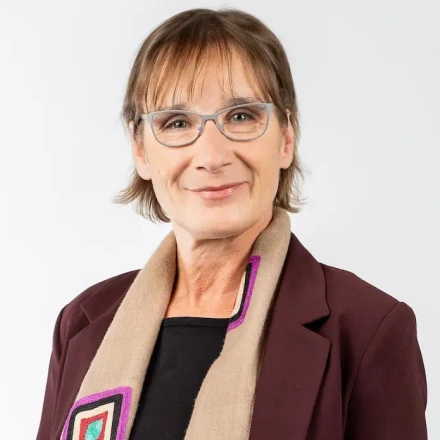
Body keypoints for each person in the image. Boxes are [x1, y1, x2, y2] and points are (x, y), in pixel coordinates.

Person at [36, 8, 428, 440]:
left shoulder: (367, 328)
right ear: (141, 151)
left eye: (241, 116)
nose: (212, 156)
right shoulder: (83, 323)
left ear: (286, 138)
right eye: (177, 122)